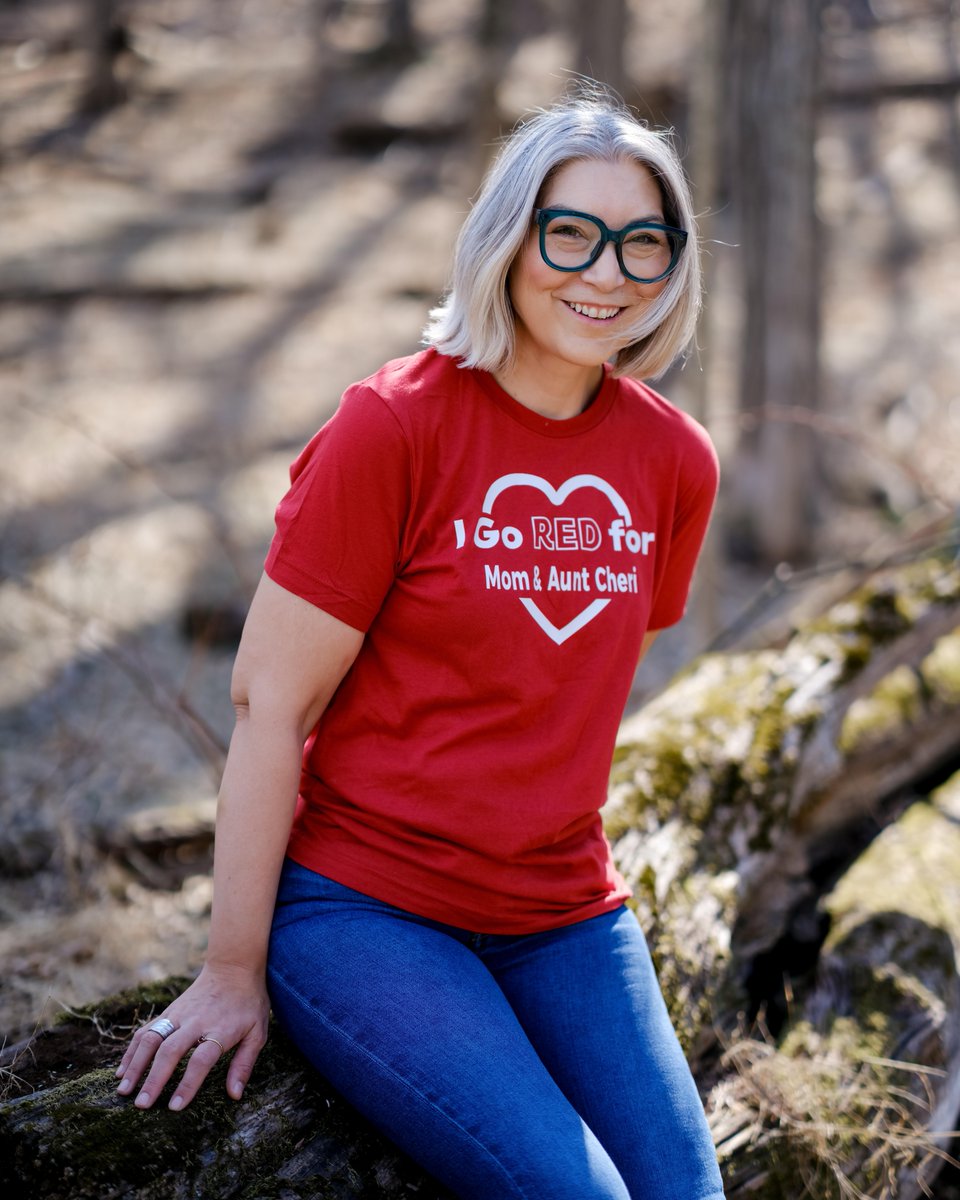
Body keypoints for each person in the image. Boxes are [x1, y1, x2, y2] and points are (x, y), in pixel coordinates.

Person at [115, 86, 726, 1200]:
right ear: (509, 238)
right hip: (369, 910)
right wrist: (228, 967)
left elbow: (567, 676)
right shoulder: (393, 426)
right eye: (571, 234)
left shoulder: (675, 462)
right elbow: (271, 709)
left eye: (645, 243)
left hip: (564, 912)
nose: (606, 273)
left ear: (673, 266)